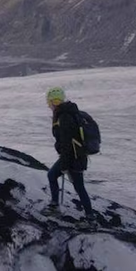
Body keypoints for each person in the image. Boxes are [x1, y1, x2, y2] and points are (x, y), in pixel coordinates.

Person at [45, 87, 95, 219]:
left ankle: (90, 218)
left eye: (55, 101)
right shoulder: (68, 112)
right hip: (75, 156)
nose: (52, 105)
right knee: (53, 175)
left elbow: (67, 142)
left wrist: (65, 165)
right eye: (52, 102)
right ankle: (54, 204)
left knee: (79, 188)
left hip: (74, 158)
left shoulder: (64, 116)